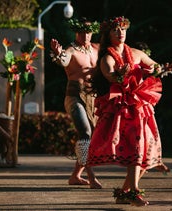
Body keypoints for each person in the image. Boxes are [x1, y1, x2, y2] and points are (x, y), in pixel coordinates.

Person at [86, 16, 172, 206]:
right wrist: (122, 74)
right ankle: (134, 191)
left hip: (140, 108)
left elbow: (153, 65)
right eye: (116, 30)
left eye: (123, 29)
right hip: (122, 110)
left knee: (143, 152)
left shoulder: (136, 53)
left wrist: (159, 69)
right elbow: (112, 77)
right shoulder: (107, 58)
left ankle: (124, 193)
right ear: (108, 34)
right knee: (137, 150)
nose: (120, 33)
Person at [50, 17, 102, 189]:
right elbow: (63, 60)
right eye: (81, 31)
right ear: (76, 32)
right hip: (74, 96)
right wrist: (58, 54)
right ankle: (92, 177)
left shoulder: (97, 49)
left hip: (93, 97)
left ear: (92, 32)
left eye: (88, 31)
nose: (85, 35)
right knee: (85, 133)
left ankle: (75, 176)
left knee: (92, 137)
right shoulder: (71, 49)